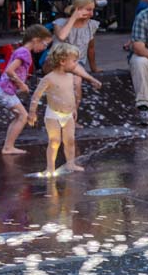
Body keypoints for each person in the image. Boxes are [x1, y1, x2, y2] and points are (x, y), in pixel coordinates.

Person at [28, 41, 100, 176]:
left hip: (68, 115)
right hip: (53, 115)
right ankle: (50, 168)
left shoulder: (70, 76)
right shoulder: (49, 78)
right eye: (74, 61)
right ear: (62, 61)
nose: (76, 64)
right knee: (54, 141)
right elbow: (36, 95)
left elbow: (70, 95)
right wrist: (32, 112)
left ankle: (71, 163)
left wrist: (74, 109)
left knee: (70, 141)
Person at [0, 23, 52, 157]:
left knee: (20, 116)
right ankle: (8, 147)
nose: (44, 48)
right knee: (23, 116)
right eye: (44, 44)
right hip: (4, 90)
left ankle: (8, 146)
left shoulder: (22, 51)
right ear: (36, 40)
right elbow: (9, 71)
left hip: (1, 89)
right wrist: (21, 84)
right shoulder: (24, 52)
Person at [51, 0, 101, 74]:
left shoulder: (91, 25)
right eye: (88, 10)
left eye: (93, 10)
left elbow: (91, 48)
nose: (92, 14)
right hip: (57, 61)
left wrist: (93, 68)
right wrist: (74, 17)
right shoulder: (59, 22)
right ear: (78, 9)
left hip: (76, 63)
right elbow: (62, 36)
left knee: (76, 78)